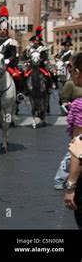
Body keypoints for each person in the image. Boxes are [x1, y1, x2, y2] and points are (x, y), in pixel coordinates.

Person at [63, 52, 82, 228]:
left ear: (77, 72)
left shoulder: (79, 105)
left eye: (70, 70)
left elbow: (80, 150)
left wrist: (70, 186)